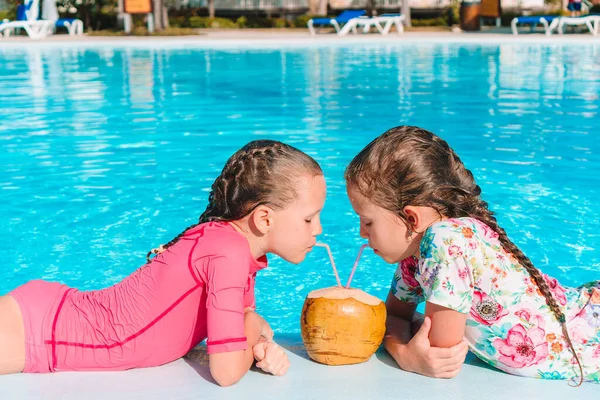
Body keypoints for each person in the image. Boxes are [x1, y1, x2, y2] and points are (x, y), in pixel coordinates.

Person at [0, 140, 326, 387]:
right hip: (41, 331)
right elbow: (226, 371)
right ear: (264, 218)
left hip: (50, 322)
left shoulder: (238, 251)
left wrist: (261, 340)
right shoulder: (227, 252)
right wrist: (255, 328)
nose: (319, 229)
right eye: (309, 218)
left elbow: (245, 323)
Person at [345, 126, 600, 385]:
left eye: (367, 222)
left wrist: (404, 351)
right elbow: (394, 317)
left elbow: (439, 352)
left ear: (411, 218)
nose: (361, 233)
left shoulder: (445, 239)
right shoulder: (416, 253)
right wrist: (403, 351)